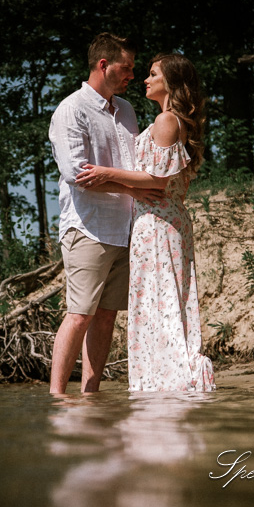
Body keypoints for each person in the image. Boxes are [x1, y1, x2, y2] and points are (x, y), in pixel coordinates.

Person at [75, 53, 215, 392]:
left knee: (161, 302)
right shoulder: (169, 120)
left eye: (153, 74)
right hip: (157, 220)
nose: (145, 79)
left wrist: (107, 173)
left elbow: (157, 180)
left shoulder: (168, 121)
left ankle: (169, 381)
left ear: (171, 82)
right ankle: (161, 381)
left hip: (159, 223)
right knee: (159, 302)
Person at [48, 33, 164, 394]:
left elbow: (132, 163)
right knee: (80, 314)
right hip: (87, 228)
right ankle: (56, 397)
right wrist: (130, 188)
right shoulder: (72, 110)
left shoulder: (126, 110)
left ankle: (90, 394)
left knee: (106, 315)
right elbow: (77, 175)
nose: (133, 75)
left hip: (125, 228)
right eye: (126, 68)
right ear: (103, 65)